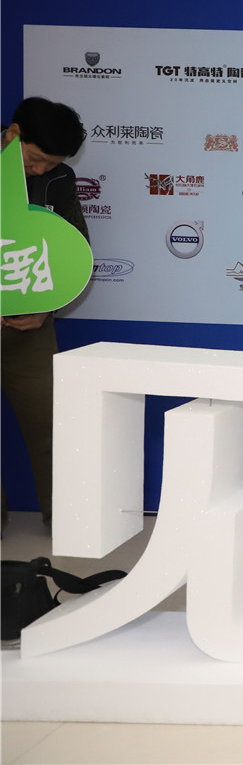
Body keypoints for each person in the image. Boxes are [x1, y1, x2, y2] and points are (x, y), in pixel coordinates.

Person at [2, 97, 89, 529]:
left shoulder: (59, 181)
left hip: (30, 333)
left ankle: (66, 524)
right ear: (14, 133)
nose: (39, 170)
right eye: (35, 159)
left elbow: (75, 252)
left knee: (52, 426)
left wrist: (46, 308)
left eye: (51, 165)